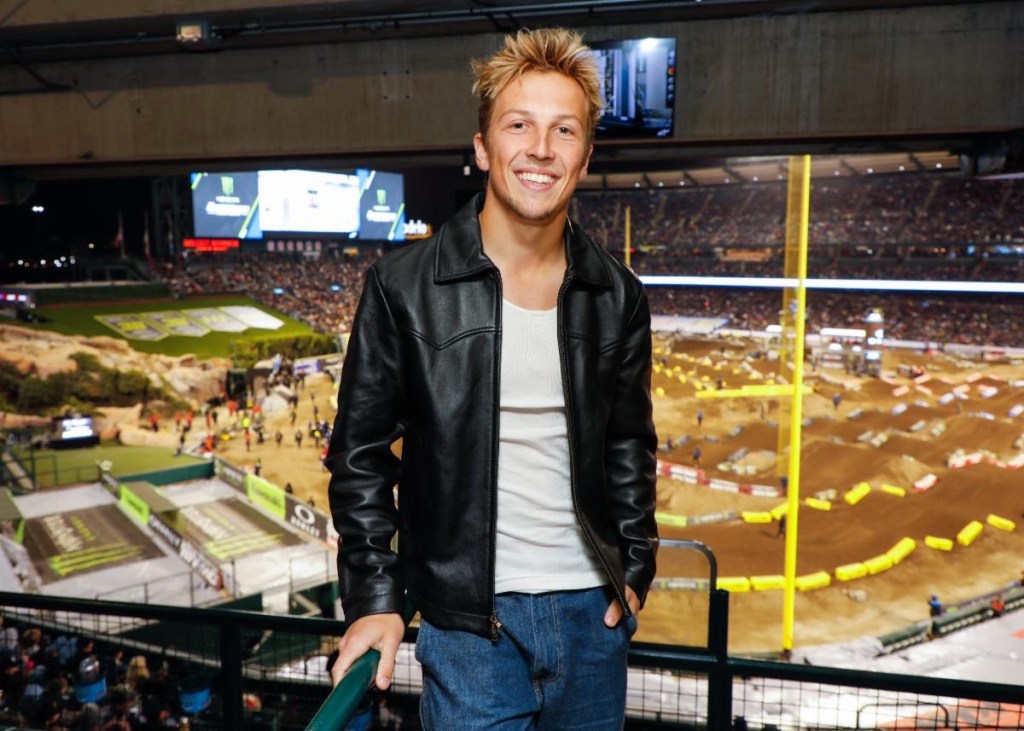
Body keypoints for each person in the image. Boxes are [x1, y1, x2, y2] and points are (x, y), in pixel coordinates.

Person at [326, 27, 658, 730]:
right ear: (482, 148)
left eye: (564, 129)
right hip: (468, 625)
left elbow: (629, 441)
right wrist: (375, 597)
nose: (541, 148)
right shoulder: (401, 286)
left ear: (585, 156)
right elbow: (358, 456)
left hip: (593, 620)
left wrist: (635, 563)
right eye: (519, 125)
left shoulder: (619, 295)